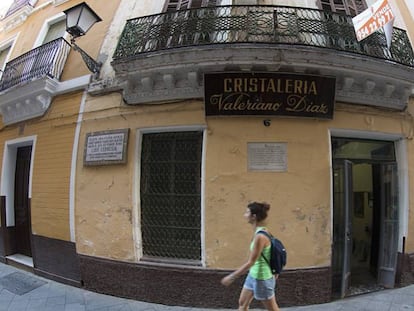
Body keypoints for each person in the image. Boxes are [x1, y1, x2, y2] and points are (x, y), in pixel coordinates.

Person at [221, 202, 280, 311]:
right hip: (253, 275)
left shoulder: (260, 236)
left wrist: (232, 276)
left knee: (272, 309)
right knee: (242, 304)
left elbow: (251, 262)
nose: (245, 215)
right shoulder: (261, 231)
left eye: (247, 212)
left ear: (254, 216)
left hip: (262, 277)